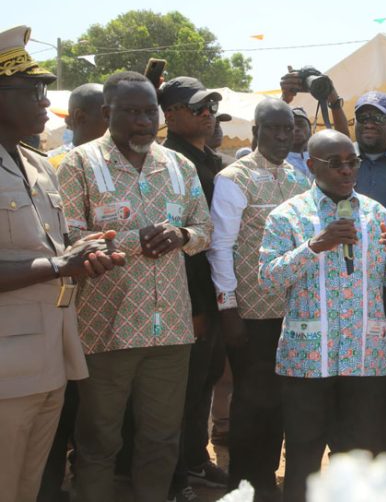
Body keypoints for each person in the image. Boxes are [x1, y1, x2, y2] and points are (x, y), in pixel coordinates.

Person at [56, 70, 211, 502]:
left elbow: (205, 228)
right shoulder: (79, 163)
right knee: (99, 442)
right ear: (107, 113)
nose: (145, 121)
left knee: (162, 440)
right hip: (106, 329)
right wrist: (133, 240)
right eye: (133, 112)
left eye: (151, 111)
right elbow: (68, 239)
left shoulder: (178, 166)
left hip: (172, 332)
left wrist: (182, 236)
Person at [0, 25, 125, 502]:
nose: (43, 101)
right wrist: (57, 266)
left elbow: (51, 245)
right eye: (32, 90)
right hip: (7, 368)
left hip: (50, 356)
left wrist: (83, 251)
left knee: (28, 485)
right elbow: (49, 261)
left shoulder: (35, 164)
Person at [258, 129, 386, 502]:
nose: (347, 170)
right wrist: (314, 247)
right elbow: (267, 280)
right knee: (303, 456)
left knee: (358, 460)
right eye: (336, 163)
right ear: (311, 165)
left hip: (364, 360)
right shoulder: (288, 216)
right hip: (309, 362)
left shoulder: (377, 214)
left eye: (352, 162)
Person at [207, 97, 310, 501]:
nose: (283, 136)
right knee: (251, 402)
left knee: (281, 402)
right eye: (274, 129)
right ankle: (246, 484)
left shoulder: (298, 179)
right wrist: (227, 308)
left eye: (288, 129)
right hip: (249, 312)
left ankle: (266, 478)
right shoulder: (236, 178)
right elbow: (221, 246)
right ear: (256, 132)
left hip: (291, 312)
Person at [38, 81, 110, 502]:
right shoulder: (54, 165)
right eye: (107, 112)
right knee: (57, 411)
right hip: (63, 310)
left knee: (95, 416)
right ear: (81, 118)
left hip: (107, 318)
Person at [160, 76, 228, 500]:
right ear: (169, 114)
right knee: (181, 391)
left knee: (205, 381)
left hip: (218, 291)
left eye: (210, 107)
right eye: (198, 108)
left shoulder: (211, 160)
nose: (208, 114)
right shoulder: (169, 162)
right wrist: (197, 305)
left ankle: (196, 459)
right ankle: (175, 474)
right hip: (190, 296)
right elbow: (181, 240)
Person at [48, 83, 107, 169]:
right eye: (107, 115)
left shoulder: (120, 161)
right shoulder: (51, 164)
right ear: (80, 117)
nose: (117, 122)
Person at [285, 106, 312, 180]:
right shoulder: (278, 161)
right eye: (289, 127)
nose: (296, 129)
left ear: (310, 129)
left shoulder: (320, 156)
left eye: (300, 124)